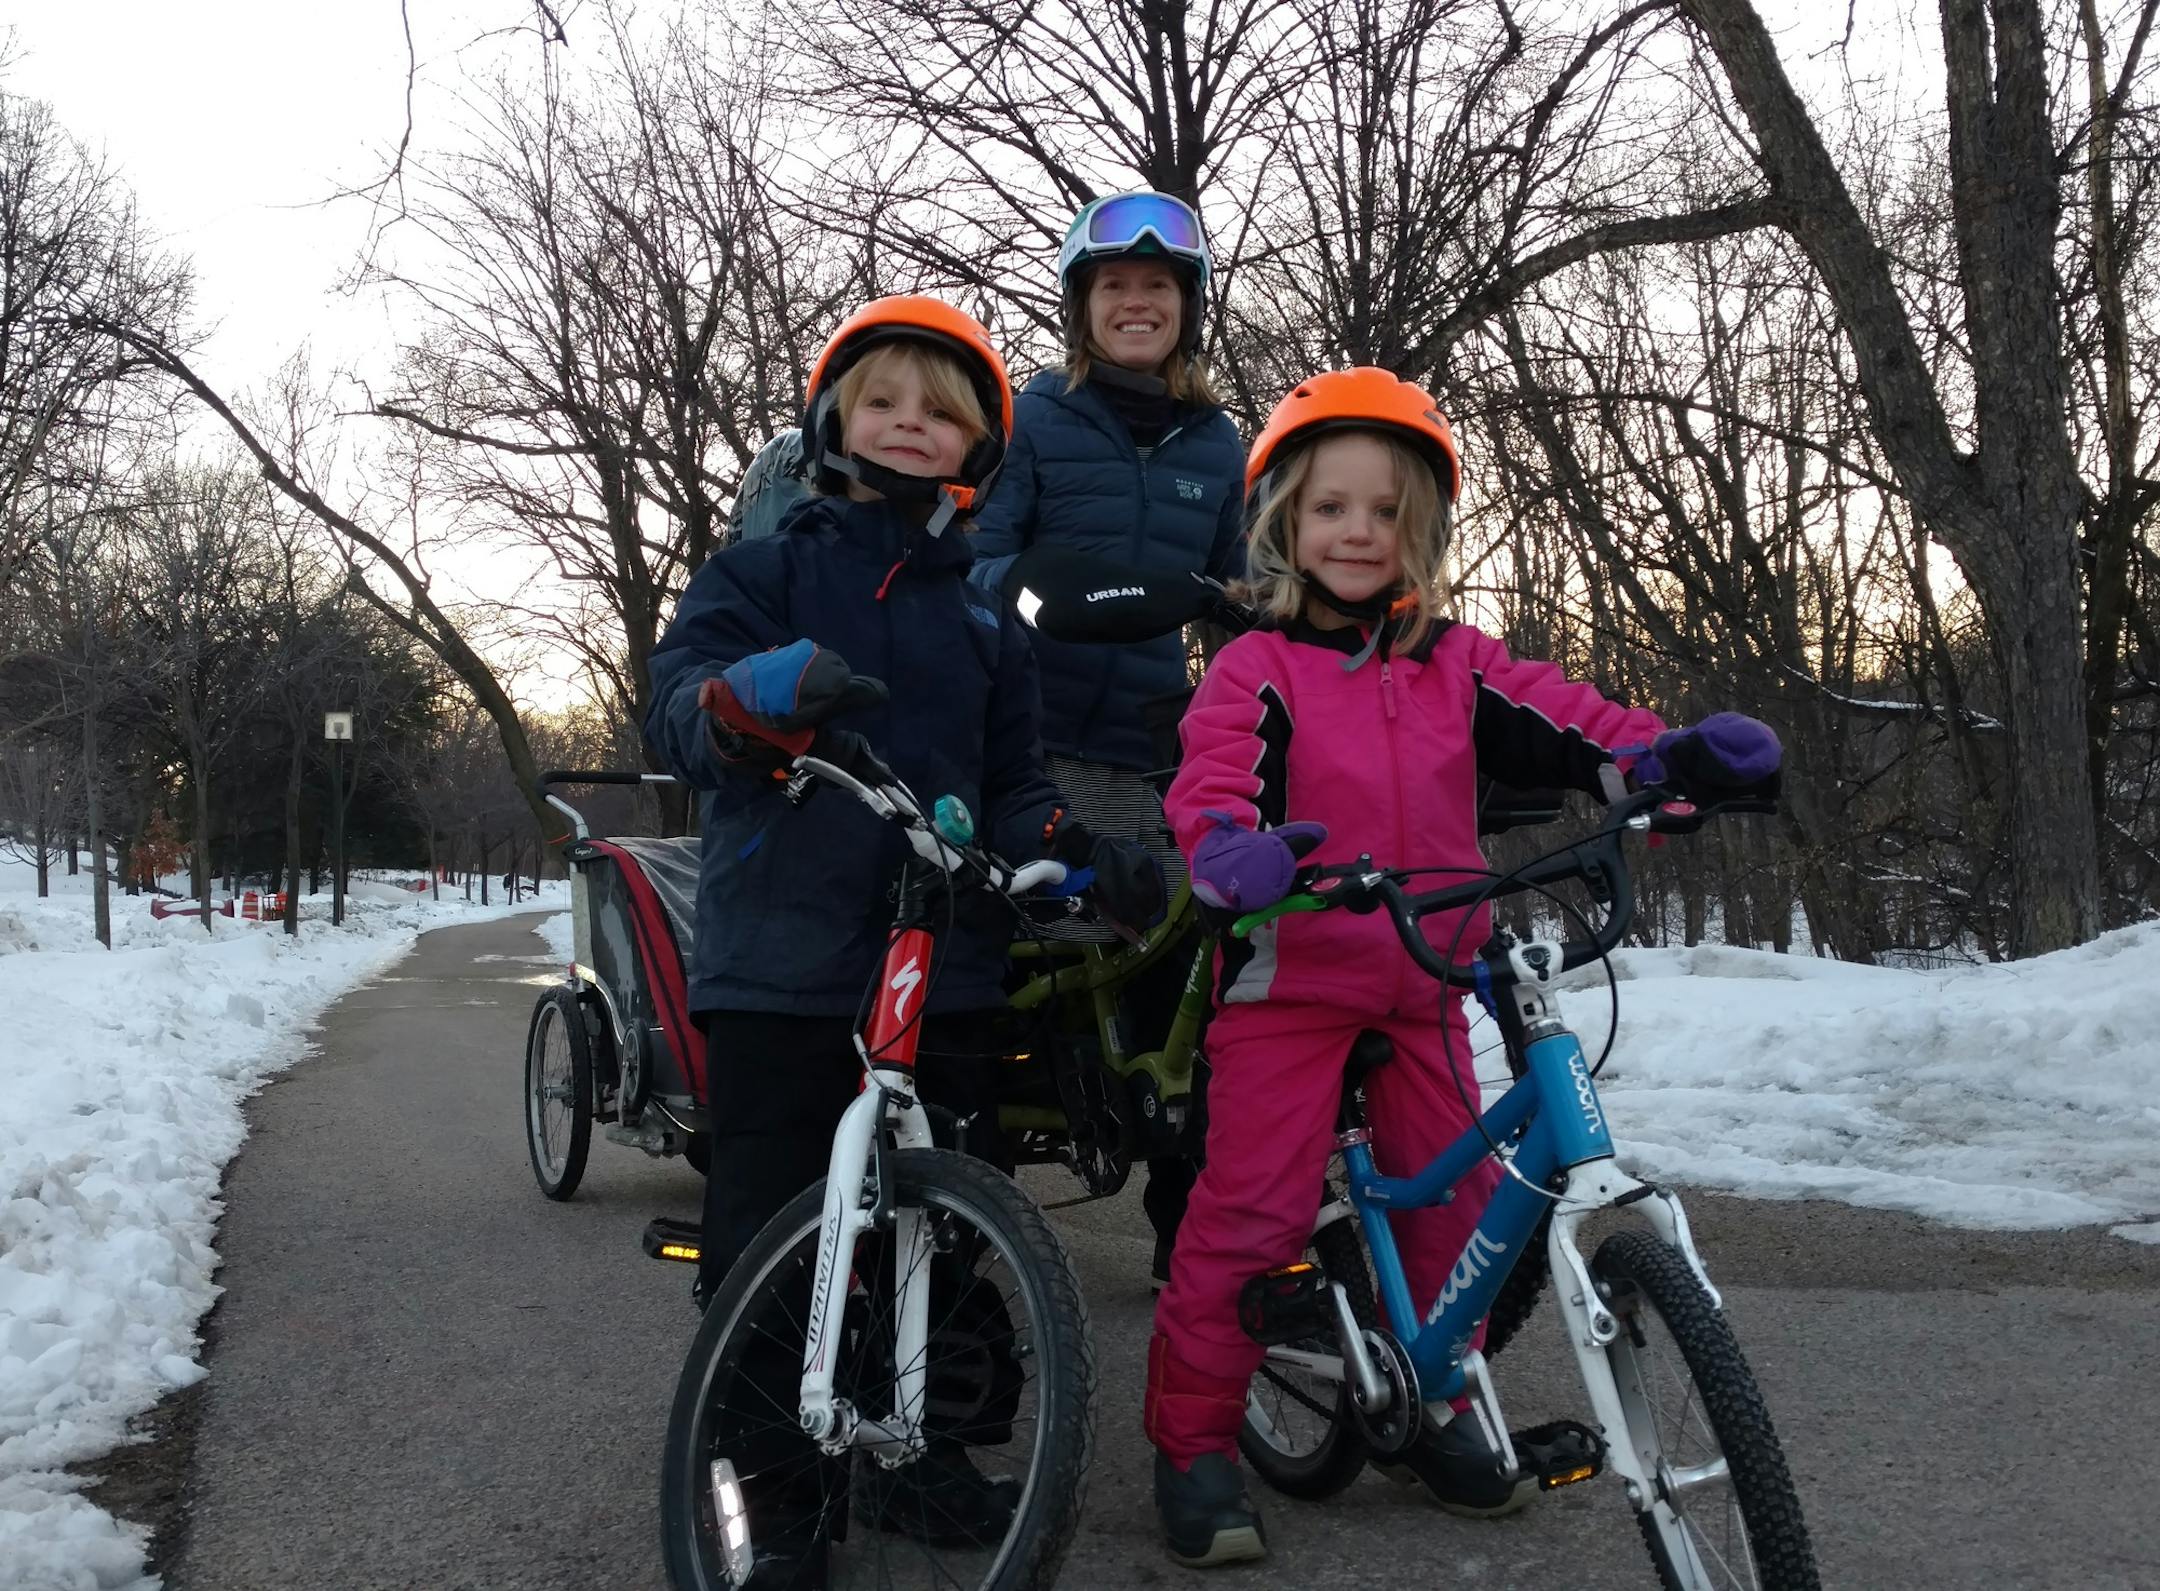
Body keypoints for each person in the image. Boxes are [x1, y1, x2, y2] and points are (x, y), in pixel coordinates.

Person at [1145, 367, 1782, 1567]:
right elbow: (1216, 779)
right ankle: (1193, 1442)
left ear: (1419, 531)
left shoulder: (1457, 661)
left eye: (1387, 512)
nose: (1358, 532)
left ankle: (1438, 1401)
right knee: (1253, 1214)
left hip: (1430, 968)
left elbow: (1573, 720)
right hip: (1291, 981)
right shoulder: (1257, 670)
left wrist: (1669, 758)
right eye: (1333, 508)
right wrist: (1229, 850)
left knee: (1461, 1213)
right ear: (1286, 518)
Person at [643, 295, 1164, 1583]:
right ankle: (771, 1493)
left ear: (982, 446)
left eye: (944, 412)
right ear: (833, 419)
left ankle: (910, 1446)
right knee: (774, 1235)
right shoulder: (766, 571)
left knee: (927, 1234)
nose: (913, 427)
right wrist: (741, 702)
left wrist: (1090, 856)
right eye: (886, 402)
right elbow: (678, 705)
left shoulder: (987, 622)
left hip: (946, 970)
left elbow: (1016, 786)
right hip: (789, 961)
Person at [971, 190, 1246, 1289]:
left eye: (1159, 288)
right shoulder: (1033, 417)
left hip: (1153, 754)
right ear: (1082, 309)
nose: (1138, 303)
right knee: (1016, 984)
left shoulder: (1220, 441)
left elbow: (1233, 591)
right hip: (1034, 740)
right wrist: (1049, 592)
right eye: (1115, 287)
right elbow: (978, 566)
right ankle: (969, 1249)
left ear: (1189, 308)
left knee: (1189, 1002)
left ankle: (1201, 1252)